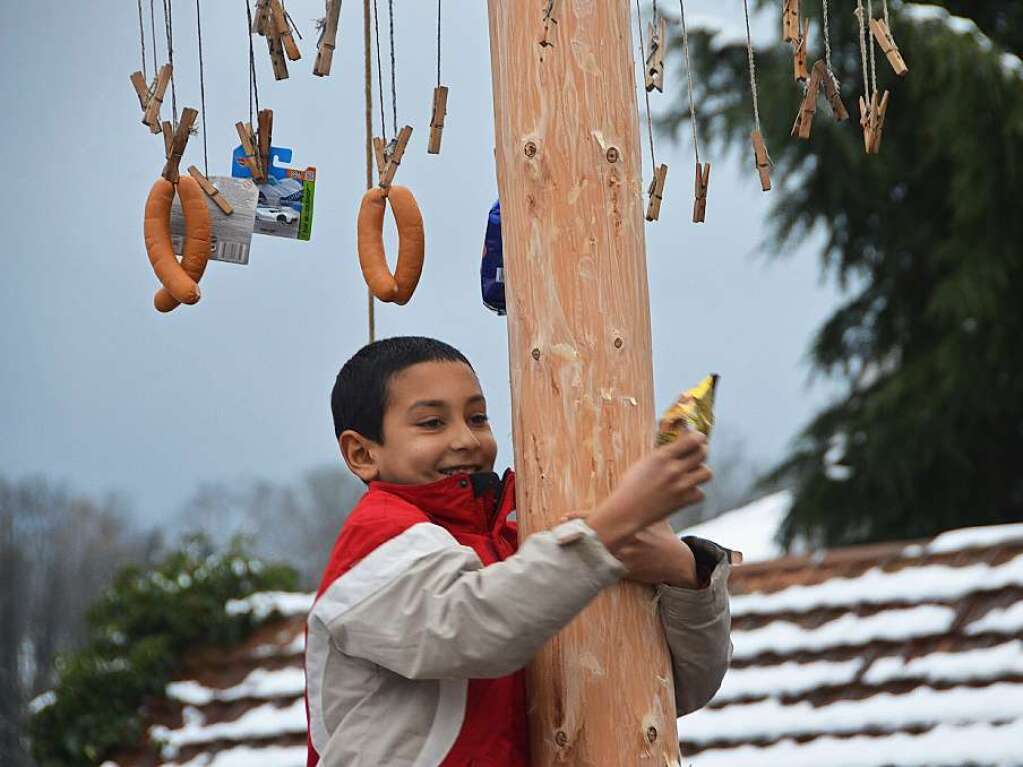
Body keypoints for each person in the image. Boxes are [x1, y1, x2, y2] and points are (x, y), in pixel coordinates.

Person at [305, 336, 733, 767]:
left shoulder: (533, 538)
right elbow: (468, 629)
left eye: (477, 418)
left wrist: (683, 573)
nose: (466, 440)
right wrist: (611, 527)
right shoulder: (375, 538)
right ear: (362, 454)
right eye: (432, 423)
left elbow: (683, 687)